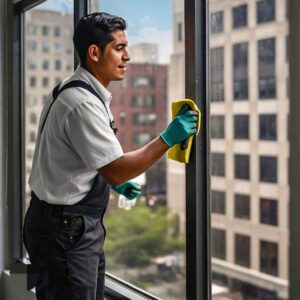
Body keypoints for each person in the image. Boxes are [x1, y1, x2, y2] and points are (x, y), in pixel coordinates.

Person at [23, 12, 198, 300]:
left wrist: (113, 183)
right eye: (119, 48)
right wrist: (168, 138)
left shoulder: (73, 90)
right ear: (94, 52)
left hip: (57, 223)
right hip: (65, 232)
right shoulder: (82, 104)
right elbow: (116, 168)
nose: (127, 56)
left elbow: (75, 157)